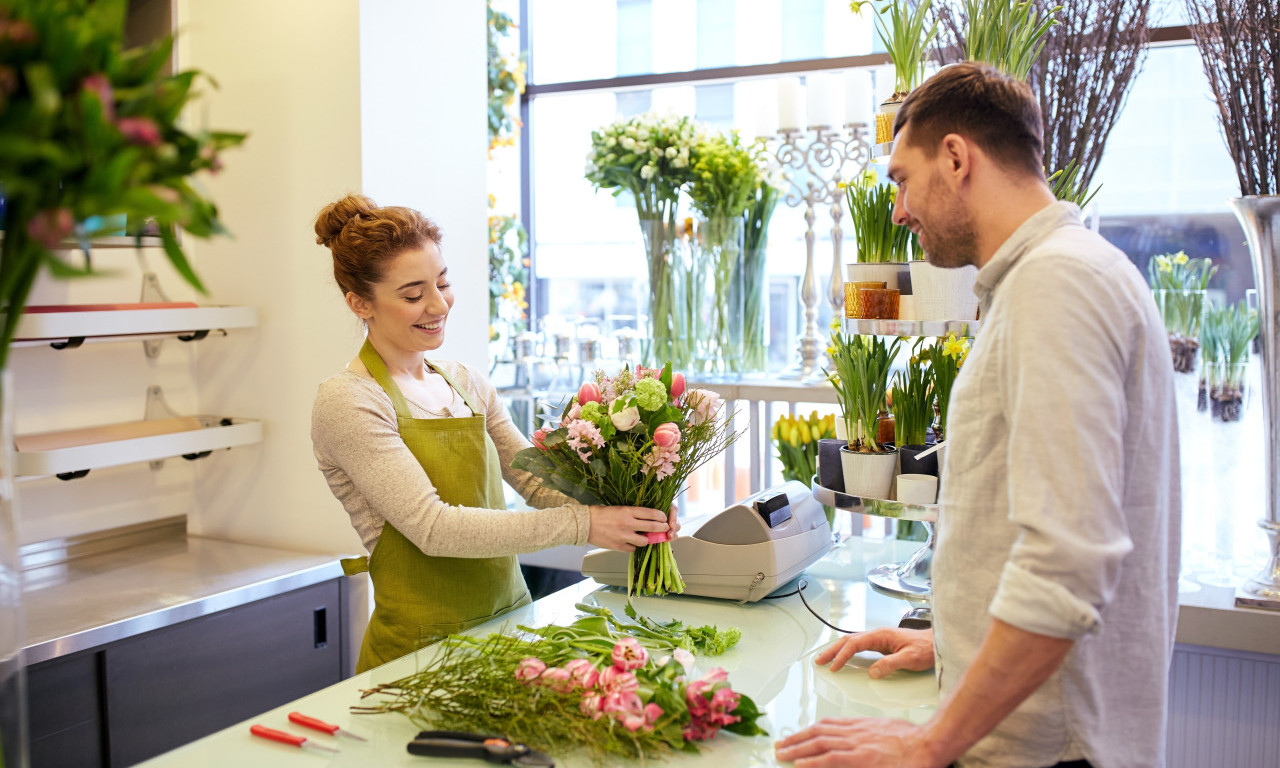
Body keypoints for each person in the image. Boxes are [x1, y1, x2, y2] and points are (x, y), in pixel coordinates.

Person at [776, 62, 1179, 768]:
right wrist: (954, 641)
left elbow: (1066, 566)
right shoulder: (1058, 274)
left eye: (902, 178)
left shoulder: (1057, 285)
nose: (897, 210)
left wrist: (930, 743)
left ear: (957, 158)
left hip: (1051, 752)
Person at [311, 194, 676, 673]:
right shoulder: (350, 401)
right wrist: (586, 525)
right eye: (413, 294)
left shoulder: (464, 383)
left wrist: (634, 503)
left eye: (442, 283)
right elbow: (433, 528)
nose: (439, 304)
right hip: (421, 655)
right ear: (360, 302)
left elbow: (533, 480)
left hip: (512, 627)